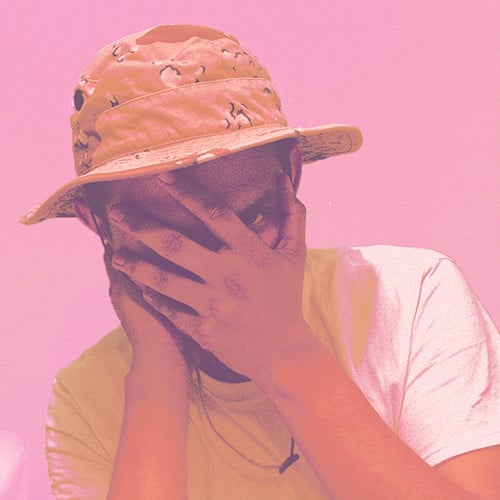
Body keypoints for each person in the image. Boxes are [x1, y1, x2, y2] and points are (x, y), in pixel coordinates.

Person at [22, 24, 499, 499]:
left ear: (290, 173)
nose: (222, 271)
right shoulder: (88, 397)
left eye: (249, 220)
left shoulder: (409, 300)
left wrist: (285, 352)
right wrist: (158, 376)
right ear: (97, 224)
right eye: (170, 240)